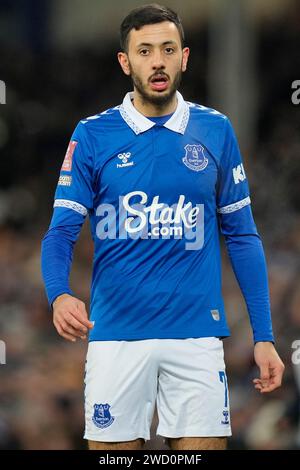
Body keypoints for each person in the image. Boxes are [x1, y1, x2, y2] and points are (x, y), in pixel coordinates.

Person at [41, 3, 285, 451]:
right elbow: (60, 232)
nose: (158, 61)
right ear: (125, 61)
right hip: (116, 338)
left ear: (184, 56)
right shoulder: (93, 135)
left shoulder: (215, 130)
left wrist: (264, 336)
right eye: (145, 50)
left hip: (196, 337)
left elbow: (244, 237)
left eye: (168, 49)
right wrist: (58, 294)